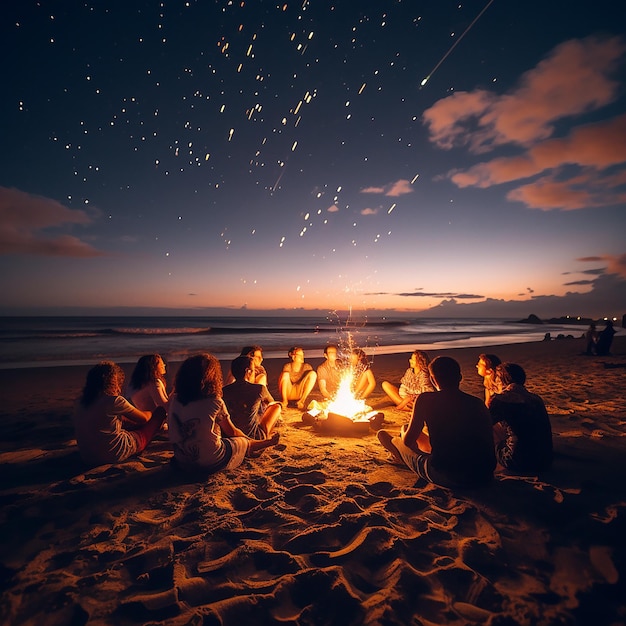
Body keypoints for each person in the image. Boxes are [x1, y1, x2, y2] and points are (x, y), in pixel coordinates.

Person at [377, 356, 496, 488]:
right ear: (460, 377)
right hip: (484, 475)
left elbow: (408, 441)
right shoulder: (477, 403)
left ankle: (399, 456)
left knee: (389, 436)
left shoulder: (426, 399)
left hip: (450, 476)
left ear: (433, 379)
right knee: (414, 432)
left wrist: (402, 435)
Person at [168, 353, 279, 474]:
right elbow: (233, 432)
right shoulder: (214, 401)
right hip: (210, 463)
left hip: (182, 461)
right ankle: (266, 442)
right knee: (240, 441)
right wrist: (250, 441)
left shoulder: (176, 399)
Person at [73, 361, 166, 467]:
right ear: (112, 384)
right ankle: (140, 446)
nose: (119, 388)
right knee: (160, 413)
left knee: (124, 421)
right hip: (113, 453)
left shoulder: (79, 401)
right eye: (117, 383)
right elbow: (144, 418)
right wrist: (151, 413)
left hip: (87, 456)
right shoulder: (114, 400)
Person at [489, 363, 553, 473]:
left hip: (518, 461)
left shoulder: (500, 399)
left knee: (492, 430)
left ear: (501, 380)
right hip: (545, 459)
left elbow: (484, 425)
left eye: (496, 379)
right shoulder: (536, 398)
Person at [223, 355, 282, 439]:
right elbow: (271, 402)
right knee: (276, 406)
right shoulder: (259, 389)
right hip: (255, 437)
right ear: (248, 371)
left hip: (231, 437)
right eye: (254, 370)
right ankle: (267, 436)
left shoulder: (224, 391)